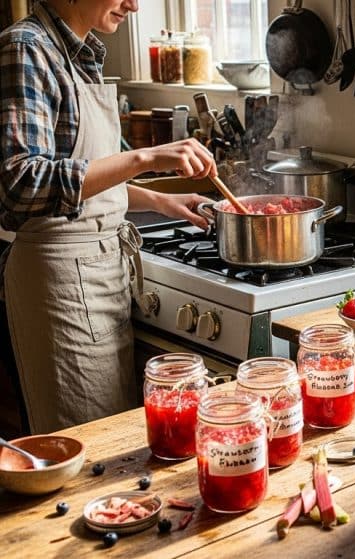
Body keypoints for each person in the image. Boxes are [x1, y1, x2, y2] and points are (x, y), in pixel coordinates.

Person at [0, 0, 217, 433]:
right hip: (59, 281)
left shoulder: (81, 54)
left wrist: (158, 202)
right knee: (88, 451)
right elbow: (21, 183)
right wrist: (145, 157)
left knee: (112, 441)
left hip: (100, 273)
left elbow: (84, 180)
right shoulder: (25, 49)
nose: (134, 6)